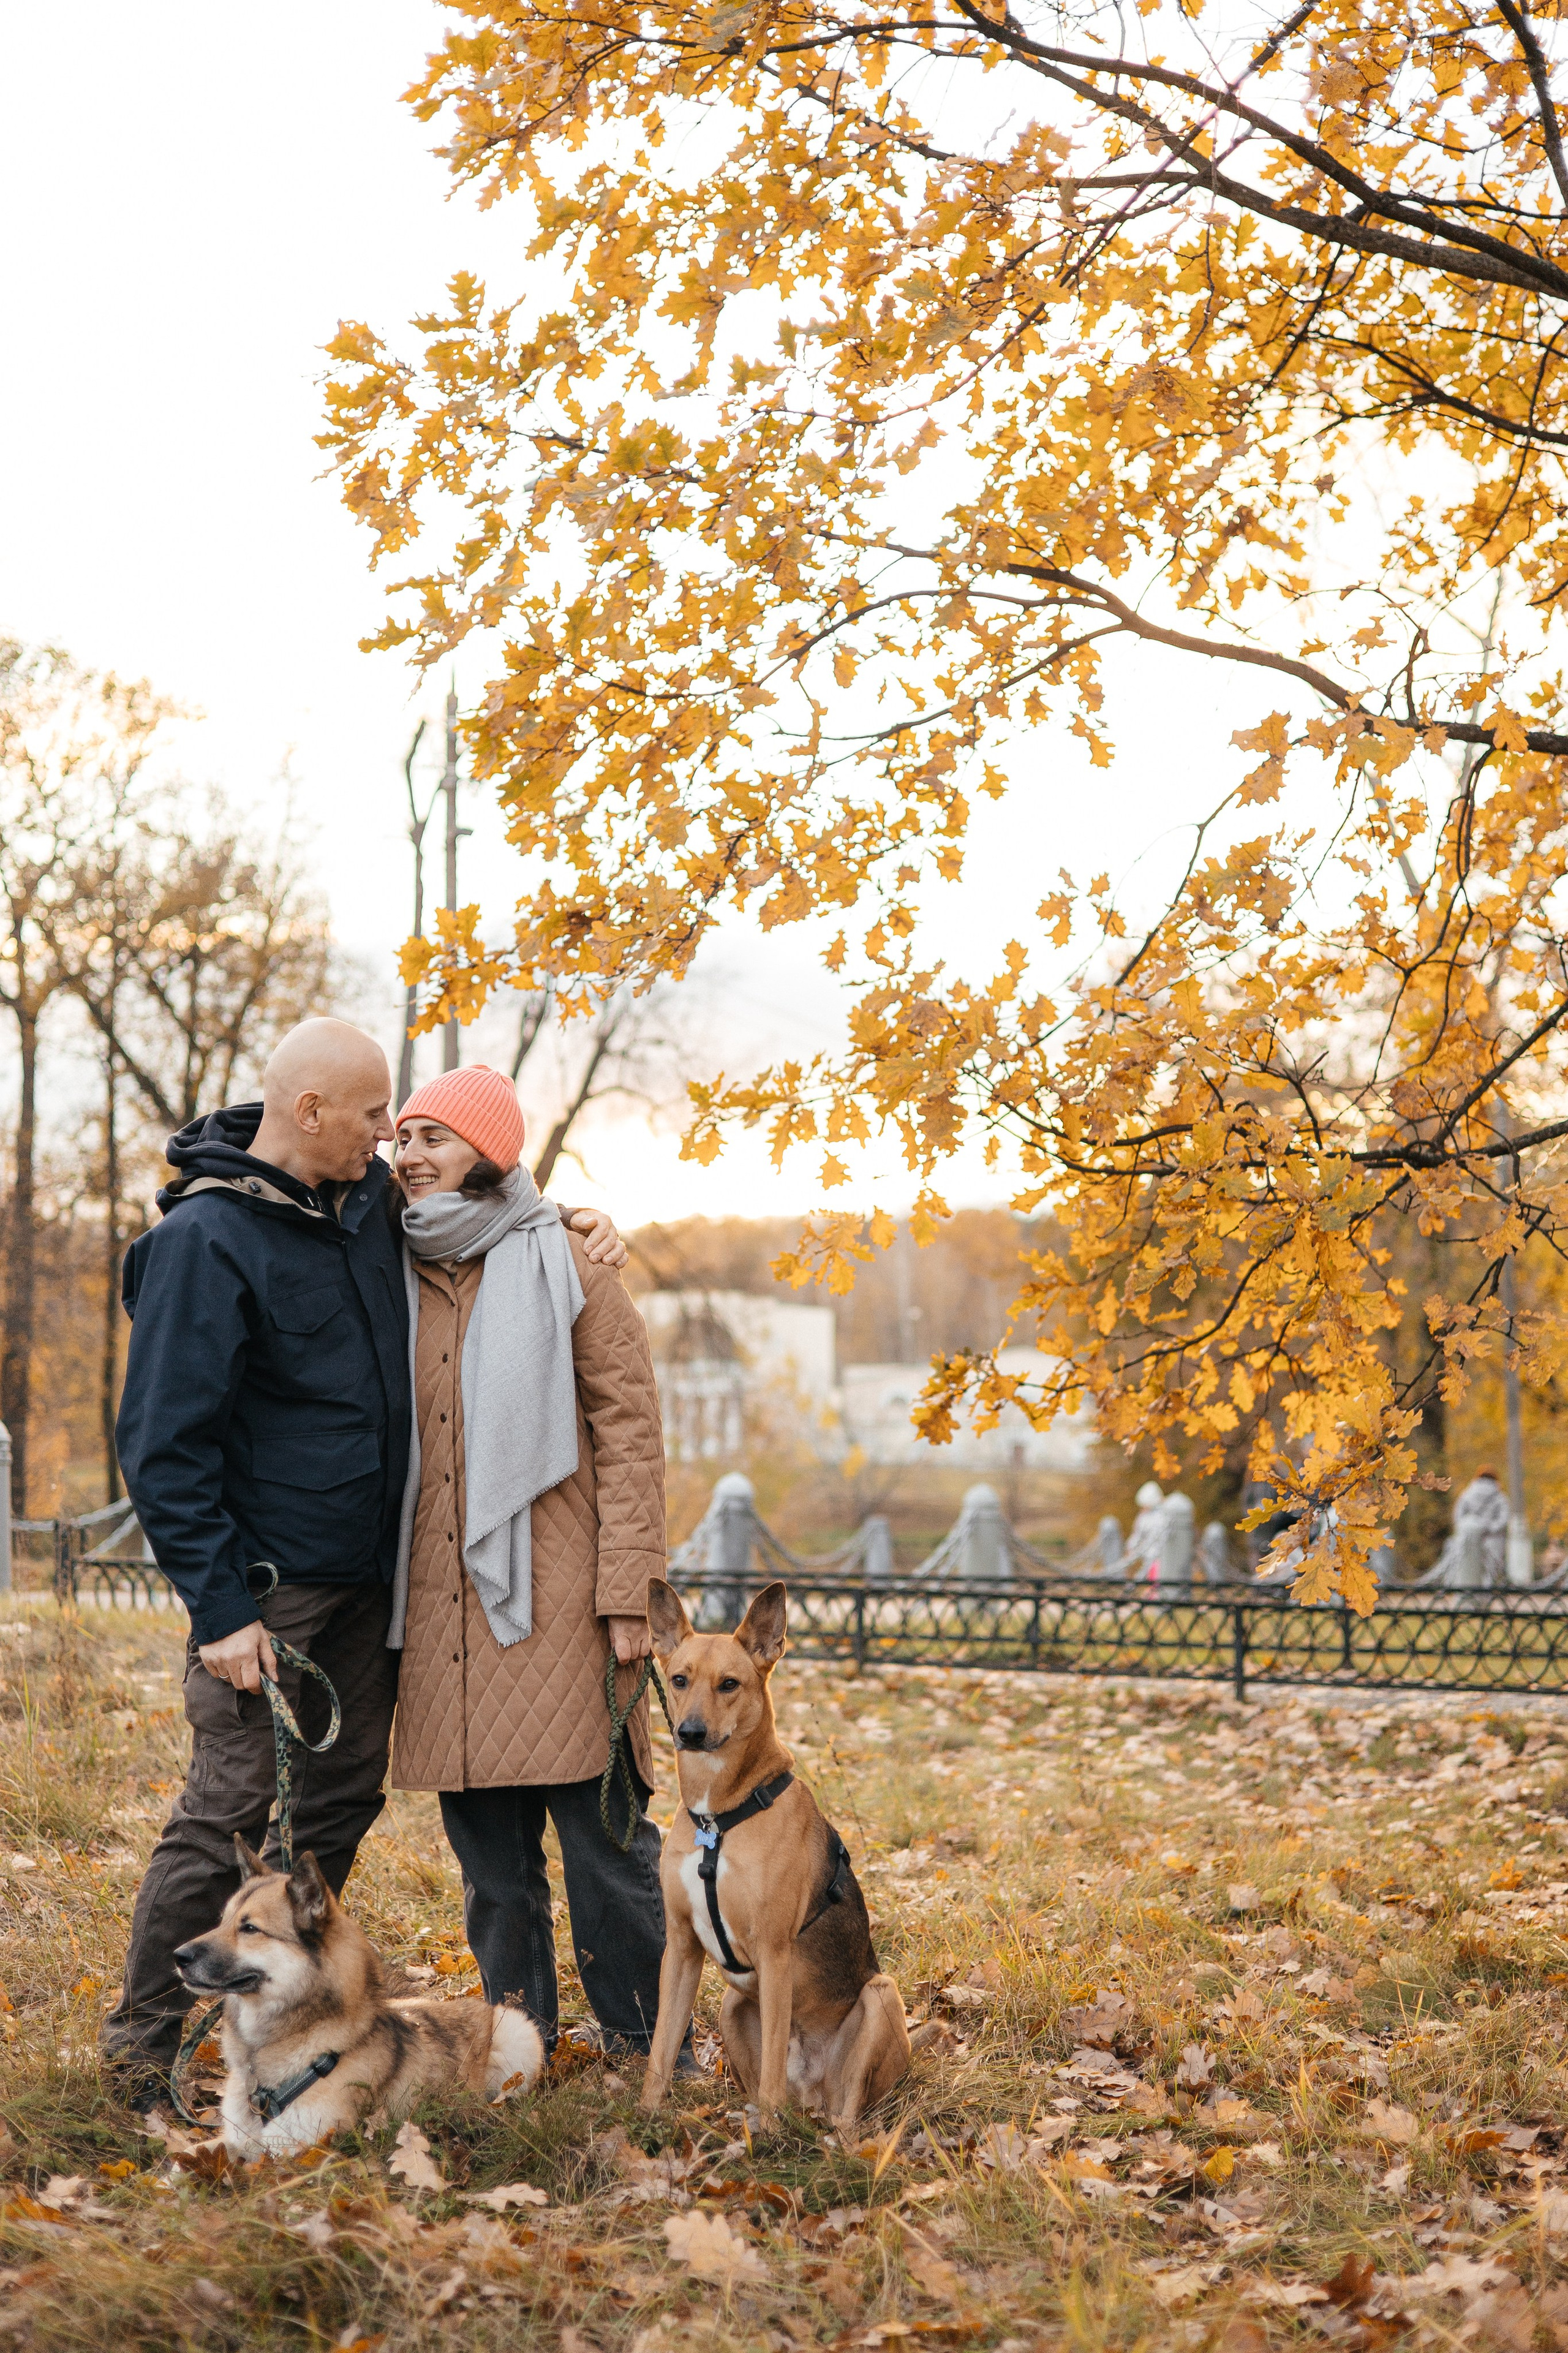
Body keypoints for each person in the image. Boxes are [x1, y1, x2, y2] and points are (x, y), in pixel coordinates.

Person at [102, 1020, 624, 2100]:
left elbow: (483, 1213)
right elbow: (161, 1444)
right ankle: (144, 2046)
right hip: (266, 1598)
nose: (391, 1136)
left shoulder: (370, 1208)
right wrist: (217, 1610)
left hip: (371, 1590)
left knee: (335, 1808)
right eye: (375, 1113)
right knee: (231, 1812)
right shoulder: (209, 1240)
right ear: (310, 1114)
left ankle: (263, 2020)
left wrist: (572, 1218)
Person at [386, 1065, 680, 2063]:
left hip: (565, 1608)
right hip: (441, 1613)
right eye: (401, 1138)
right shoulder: (387, 1263)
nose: (410, 1154)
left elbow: (630, 1432)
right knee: (492, 1870)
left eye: (433, 1135)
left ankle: (652, 2051)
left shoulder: (570, 1259)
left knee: (606, 1850)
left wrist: (630, 1593)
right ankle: (518, 2054)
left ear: (489, 1149)